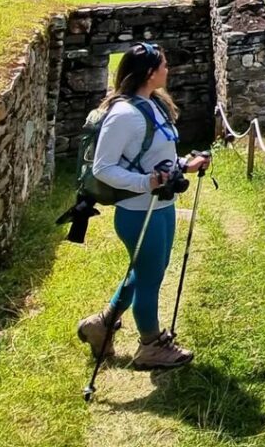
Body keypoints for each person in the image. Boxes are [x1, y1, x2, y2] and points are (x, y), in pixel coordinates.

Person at [76, 42, 209, 369]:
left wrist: (185, 164)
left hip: (160, 206)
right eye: (164, 65)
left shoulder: (151, 105)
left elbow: (155, 156)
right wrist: (145, 183)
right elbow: (103, 167)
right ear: (150, 73)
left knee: (148, 271)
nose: (168, 69)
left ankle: (101, 324)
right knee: (150, 279)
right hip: (139, 211)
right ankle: (150, 345)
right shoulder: (123, 114)